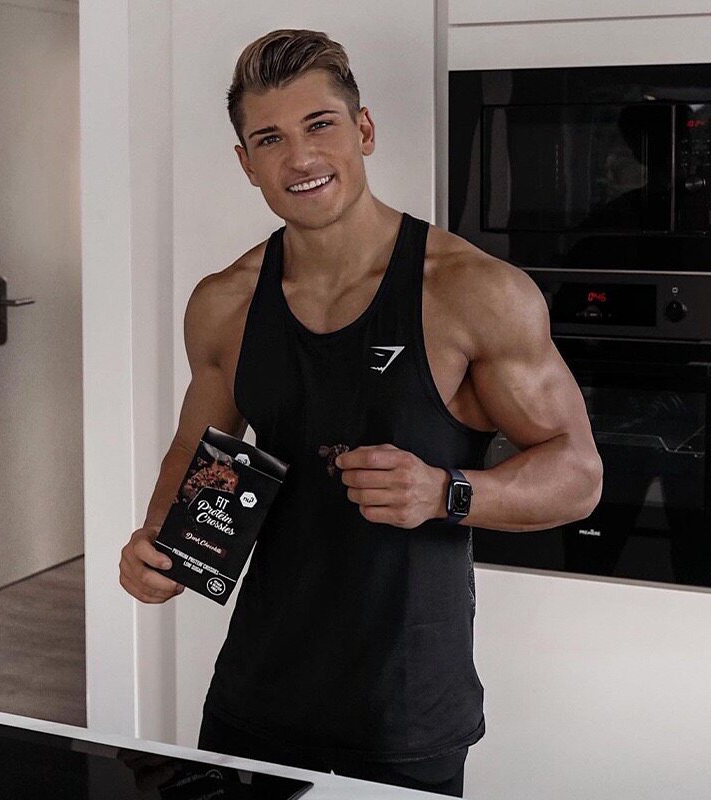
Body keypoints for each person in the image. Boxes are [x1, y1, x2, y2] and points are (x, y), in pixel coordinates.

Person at [118, 28, 604, 797]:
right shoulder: (224, 304)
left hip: (405, 703)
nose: (300, 158)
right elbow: (196, 447)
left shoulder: (473, 291)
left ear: (364, 130)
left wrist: (448, 492)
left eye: (321, 125)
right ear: (246, 162)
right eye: (270, 139)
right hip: (258, 691)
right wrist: (155, 546)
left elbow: (578, 475)